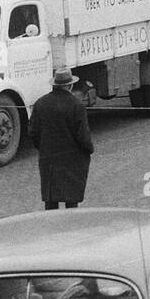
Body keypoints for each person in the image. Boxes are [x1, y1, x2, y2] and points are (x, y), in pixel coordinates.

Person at [27, 68, 94, 210]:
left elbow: (33, 132)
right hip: (73, 160)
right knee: (72, 199)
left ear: (54, 85)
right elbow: (83, 136)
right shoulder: (76, 106)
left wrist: (43, 147)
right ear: (70, 86)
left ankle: (52, 230)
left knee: (51, 200)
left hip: (49, 159)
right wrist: (89, 149)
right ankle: (71, 228)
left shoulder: (41, 103)